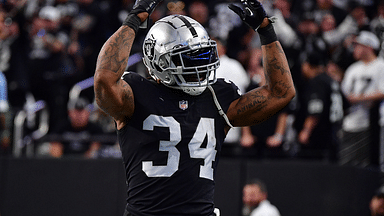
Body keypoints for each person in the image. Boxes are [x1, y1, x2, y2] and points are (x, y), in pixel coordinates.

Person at [94, 0, 295, 215]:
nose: (199, 66)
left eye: (202, 56)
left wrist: (266, 31)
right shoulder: (136, 94)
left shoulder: (216, 96)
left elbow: (281, 93)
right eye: (188, 59)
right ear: (159, 62)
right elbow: (104, 79)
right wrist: (135, 19)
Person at [340, 30, 384, 168]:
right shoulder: (353, 69)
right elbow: (345, 93)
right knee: (347, 162)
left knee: (368, 163)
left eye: (358, 45)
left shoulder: (380, 66)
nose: (355, 49)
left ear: (368, 47)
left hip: (372, 122)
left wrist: (359, 99)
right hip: (351, 121)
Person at [297, 52, 344, 161]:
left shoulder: (317, 82)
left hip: (320, 134)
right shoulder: (331, 80)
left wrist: (306, 131)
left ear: (308, 66)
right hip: (335, 130)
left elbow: (316, 109)